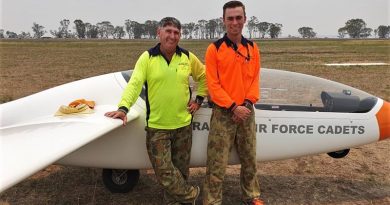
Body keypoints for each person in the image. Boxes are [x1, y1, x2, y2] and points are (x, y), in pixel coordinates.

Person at [105, 17, 207, 205]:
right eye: (168, 31)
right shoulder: (147, 57)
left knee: (181, 171)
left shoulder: (187, 57)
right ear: (159, 33)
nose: (172, 36)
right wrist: (123, 107)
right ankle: (192, 194)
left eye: (176, 32)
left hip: (183, 125)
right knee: (165, 172)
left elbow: (204, 76)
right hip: (157, 127)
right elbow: (134, 84)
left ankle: (175, 202)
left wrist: (199, 99)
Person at [203, 1, 263, 205]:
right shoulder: (214, 49)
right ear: (224, 21)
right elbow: (213, 85)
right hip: (223, 113)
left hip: (247, 112)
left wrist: (245, 105)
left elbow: (255, 80)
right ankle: (212, 200)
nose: (234, 22)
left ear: (245, 19)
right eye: (230, 18)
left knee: (249, 159)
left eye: (238, 17)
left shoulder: (253, 48)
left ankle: (252, 196)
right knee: (216, 163)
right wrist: (232, 107)